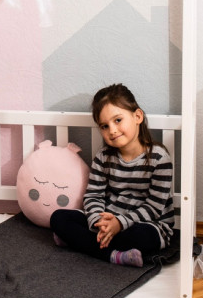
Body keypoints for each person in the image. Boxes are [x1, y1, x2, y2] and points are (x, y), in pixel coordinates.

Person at [50, 83, 174, 268]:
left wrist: (120, 223)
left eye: (117, 120)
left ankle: (82, 243)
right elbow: (93, 196)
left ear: (137, 116)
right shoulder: (103, 157)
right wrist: (99, 222)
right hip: (108, 219)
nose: (112, 130)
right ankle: (115, 255)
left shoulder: (159, 158)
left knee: (142, 237)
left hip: (145, 223)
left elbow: (154, 207)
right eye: (104, 126)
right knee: (58, 218)